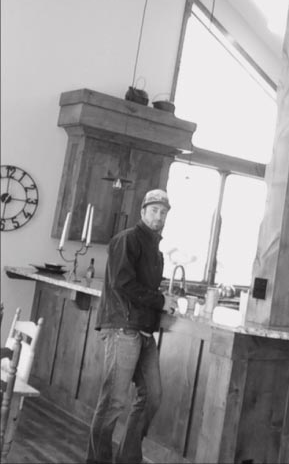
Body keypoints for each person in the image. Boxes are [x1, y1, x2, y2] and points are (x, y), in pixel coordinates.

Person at [86, 189, 177, 464]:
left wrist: (160, 302)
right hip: (123, 328)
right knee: (113, 401)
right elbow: (122, 283)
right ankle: (97, 460)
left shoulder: (155, 248)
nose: (158, 216)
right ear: (142, 212)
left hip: (144, 331)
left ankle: (128, 458)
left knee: (151, 397)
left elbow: (142, 286)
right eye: (154, 210)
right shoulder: (127, 239)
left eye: (163, 212)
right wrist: (161, 300)